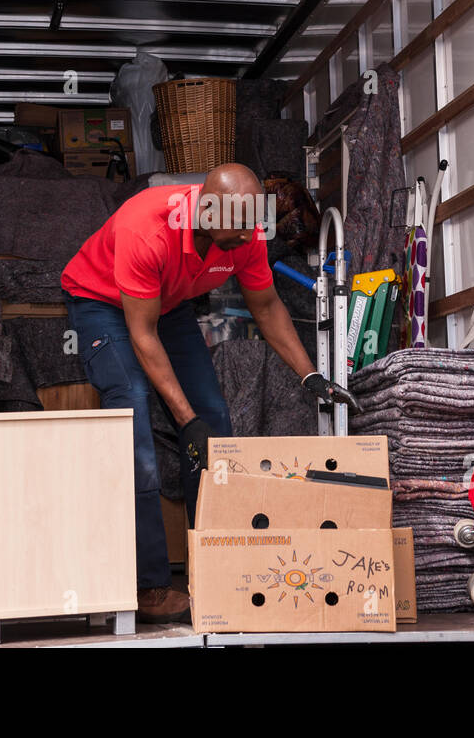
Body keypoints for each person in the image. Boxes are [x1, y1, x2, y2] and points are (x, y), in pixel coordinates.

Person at [60, 163, 358, 624]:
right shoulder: (147, 229)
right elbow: (142, 335)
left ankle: (215, 566)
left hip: (170, 301)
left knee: (214, 419)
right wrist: (183, 420)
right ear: (204, 209)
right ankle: (150, 586)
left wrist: (310, 376)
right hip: (105, 304)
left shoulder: (242, 231)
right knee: (134, 416)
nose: (247, 240)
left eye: (250, 229)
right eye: (237, 231)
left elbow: (265, 304)